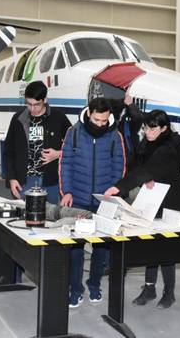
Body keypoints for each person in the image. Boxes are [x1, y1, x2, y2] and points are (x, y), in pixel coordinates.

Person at [104, 109, 180, 309]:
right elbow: (137, 164)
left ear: (164, 128)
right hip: (152, 199)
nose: (148, 132)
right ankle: (149, 288)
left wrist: (119, 186)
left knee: (166, 247)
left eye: (153, 129)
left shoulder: (171, 146)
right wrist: (146, 177)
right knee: (150, 243)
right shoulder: (148, 141)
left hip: (170, 201)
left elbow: (149, 168)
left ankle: (169, 292)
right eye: (146, 128)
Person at [60, 97, 125, 307]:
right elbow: (66, 163)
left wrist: (113, 196)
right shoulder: (74, 133)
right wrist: (66, 191)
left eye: (104, 121)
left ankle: (95, 284)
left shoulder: (115, 136)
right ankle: (75, 289)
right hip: (77, 199)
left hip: (103, 202)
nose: (100, 124)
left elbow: (119, 167)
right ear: (89, 114)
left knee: (101, 248)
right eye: (96, 120)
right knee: (76, 249)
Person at [5, 81, 71, 204]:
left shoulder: (59, 118)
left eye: (37, 104)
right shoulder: (18, 119)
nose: (32, 108)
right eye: (29, 104)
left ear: (45, 99)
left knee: (51, 220)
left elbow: (75, 145)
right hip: (25, 182)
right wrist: (12, 178)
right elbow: (9, 151)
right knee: (24, 219)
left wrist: (58, 154)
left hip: (52, 181)